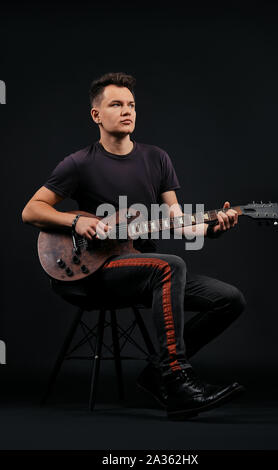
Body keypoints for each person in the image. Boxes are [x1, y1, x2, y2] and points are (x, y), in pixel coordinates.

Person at [22, 72, 246, 421]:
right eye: (116, 104)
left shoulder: (157, 158)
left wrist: (213, 228)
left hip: (140, 268)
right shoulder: (79, 162)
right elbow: (31, 210)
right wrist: (77, 221)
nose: (127, 111)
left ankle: (157, 372)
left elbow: (178, 222)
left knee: (229, 299)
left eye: (131, 105)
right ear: (96, 115)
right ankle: (176, 380)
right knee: (169, 266)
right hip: (94, 272)